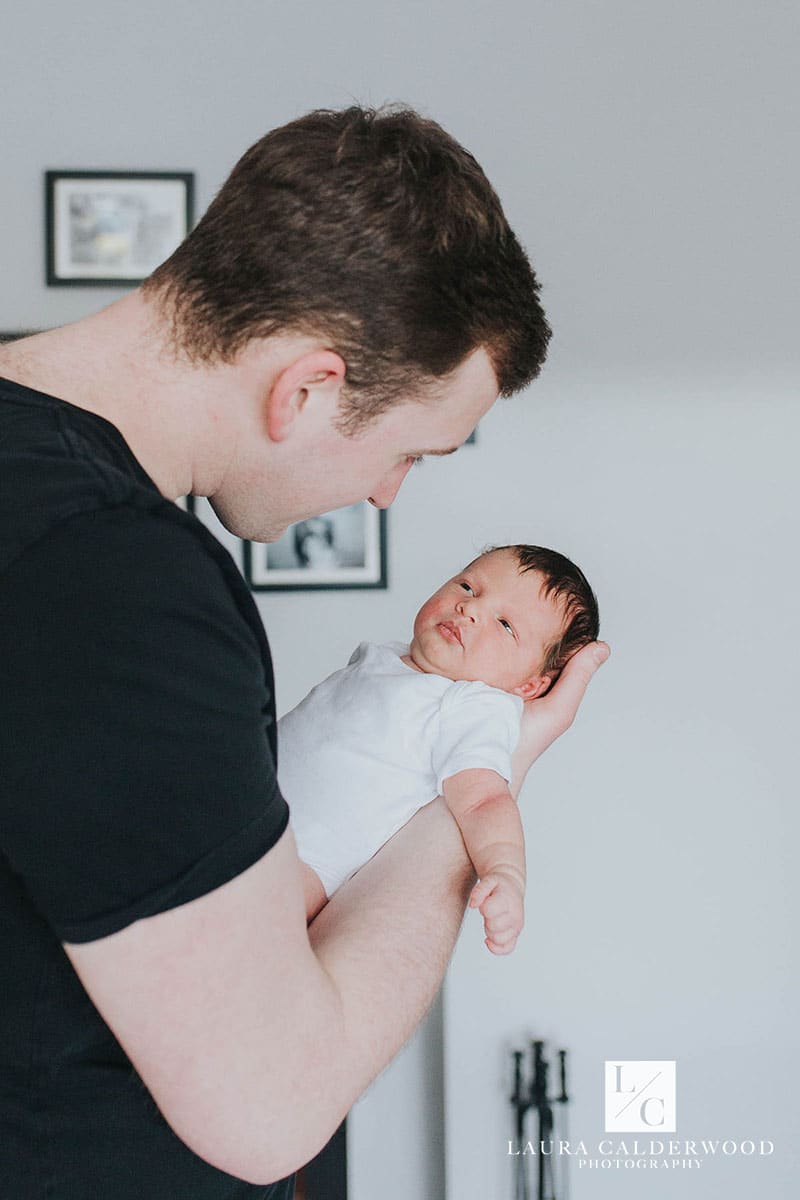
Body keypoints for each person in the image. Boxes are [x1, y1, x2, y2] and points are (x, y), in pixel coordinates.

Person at [0, 105, 608, 1198]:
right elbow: (268, 1107)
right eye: (407, 455)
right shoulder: (118, 577)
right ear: (310, 388)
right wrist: (477, 783)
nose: (383, 493)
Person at [281, 545, 600, 955]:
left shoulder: (474, 707)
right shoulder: (388, 656)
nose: (470, 609)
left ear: (528, 687)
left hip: (299, 861)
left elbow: (485, 800)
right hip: (245, 798)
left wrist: (505, 872)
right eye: (467, 586)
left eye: (505, 624)